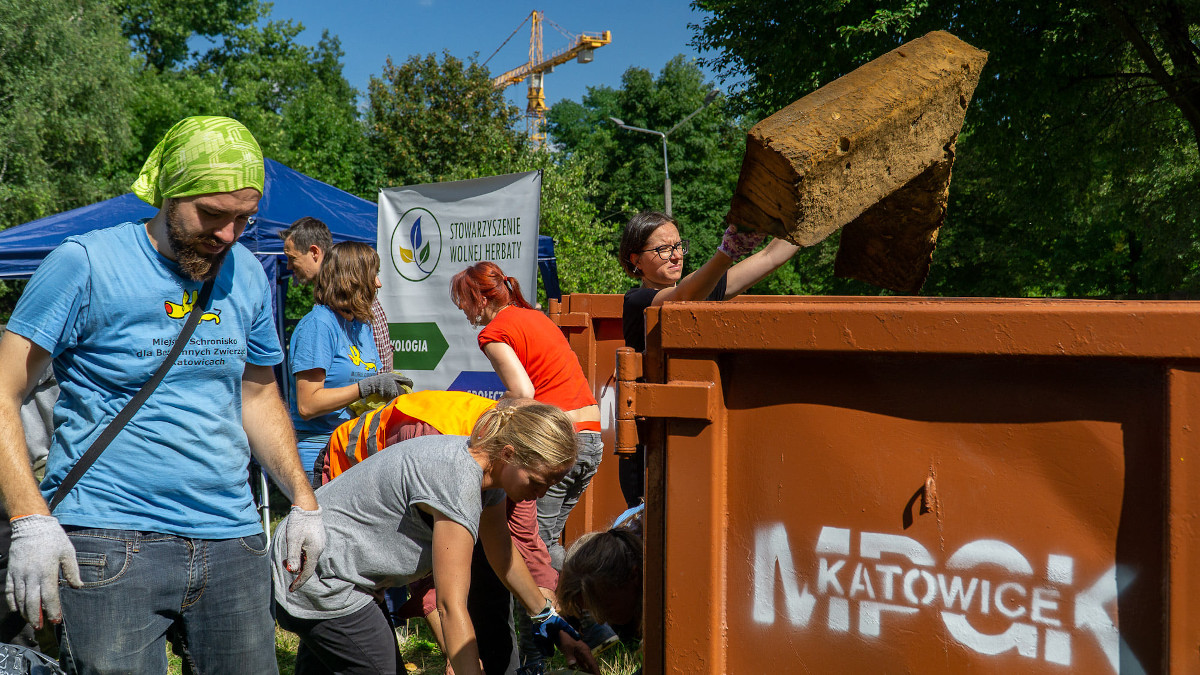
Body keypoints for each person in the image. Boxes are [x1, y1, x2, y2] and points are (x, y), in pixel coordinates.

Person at [0, 115, 325, 674]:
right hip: (108, 540)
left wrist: (302, 499)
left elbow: (258, 394)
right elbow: (4, 389)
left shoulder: (245, 270)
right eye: (213, 215)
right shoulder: (85, 262)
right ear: (169, 193)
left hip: (234, 539)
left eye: (243, 219)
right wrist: (30, 519)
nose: (227, 235)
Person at [272, 402, 598, 675]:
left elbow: (503, 555)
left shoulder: (487, 478)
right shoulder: (457, 481)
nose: (541, 493)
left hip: (332, 572)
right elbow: (449, 606)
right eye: (539, 481)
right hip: (319, 575)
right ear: (510, 454)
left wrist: (548, 618)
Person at [617, 211, 800, 504]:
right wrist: (726, 253)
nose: (675, 256)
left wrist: (806, 220)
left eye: (678, 246)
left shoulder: (698, 291)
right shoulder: (636, 301)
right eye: (663, 249)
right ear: (635, 259)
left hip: (687, 448)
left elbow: (769, 257)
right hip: (648, 457)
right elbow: (681, 298)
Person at [449, 262, 603, 572]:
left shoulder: (493, 333)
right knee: (547, 548)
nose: (462, 309)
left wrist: (498, 407)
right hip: (590, 440)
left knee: (529, 555)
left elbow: (523, 394)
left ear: (480, 298)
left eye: (463, 300)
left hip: (555, 445)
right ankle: (582, 605)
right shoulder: (534, 317)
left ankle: (556, 615)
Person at [288, 241, 411, 487]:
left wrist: (388, 391)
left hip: (354, 448)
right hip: (320, 453)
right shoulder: (319, 325)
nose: (378, 283)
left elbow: (365, 386)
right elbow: (308, 404)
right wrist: (366, 387)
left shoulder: (362, 324)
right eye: (373, 275)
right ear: (351, 279)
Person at [281, 217, 395, 374]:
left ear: (314, 252)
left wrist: (380, 390)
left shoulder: (356, 294)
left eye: (292, 258)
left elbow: (380, 357)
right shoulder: (321, 315)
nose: (288, 266)